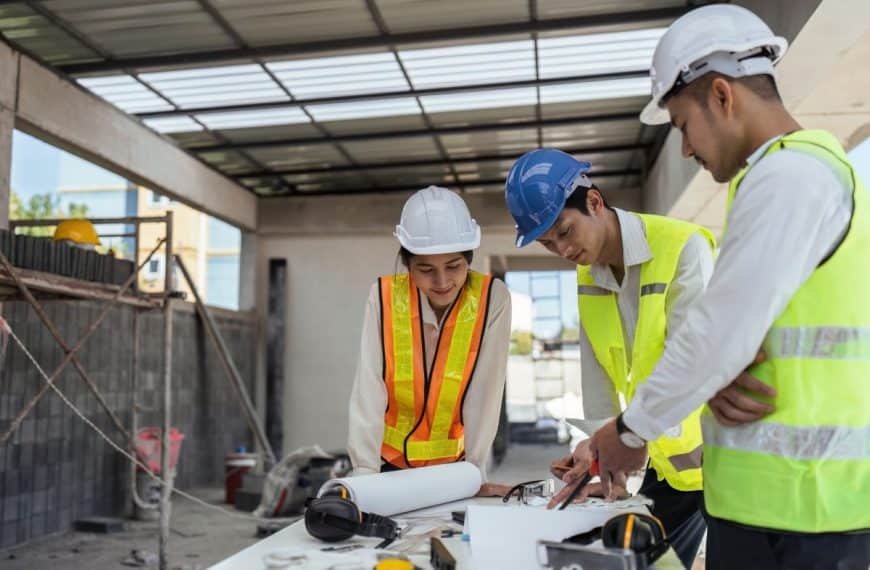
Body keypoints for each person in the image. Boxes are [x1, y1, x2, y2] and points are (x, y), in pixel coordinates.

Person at [586, 5, 870, 569]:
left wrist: (631, 429)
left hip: (812, 515)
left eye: (683, 125)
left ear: (722, 95)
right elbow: (745, 335)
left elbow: (720, 329)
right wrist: (716, 375)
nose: (686, 149)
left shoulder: (792, 177)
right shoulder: (782, 177)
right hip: (772, 508)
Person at [505, 148, 714, 568]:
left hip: (721, 466)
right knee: (643, 562)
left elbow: (693, 371)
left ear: (595, 202)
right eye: (548, 243)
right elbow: (597, 378)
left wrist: (624, 438)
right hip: (667, 467)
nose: (561, 248)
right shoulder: (587, 277)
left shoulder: (682, 248)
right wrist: (597, 452)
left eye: (564, 231)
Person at [347, 185, 511, 483]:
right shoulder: (383, 297)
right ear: (408, 264)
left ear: (469, 259)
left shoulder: (492, 299)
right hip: (388, 465)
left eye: (454, 266)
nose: (442, 281)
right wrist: (364, 473)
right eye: (426, 269)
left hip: (456, 468)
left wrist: (476, 473)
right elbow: (369, 388)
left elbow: (485, 391)